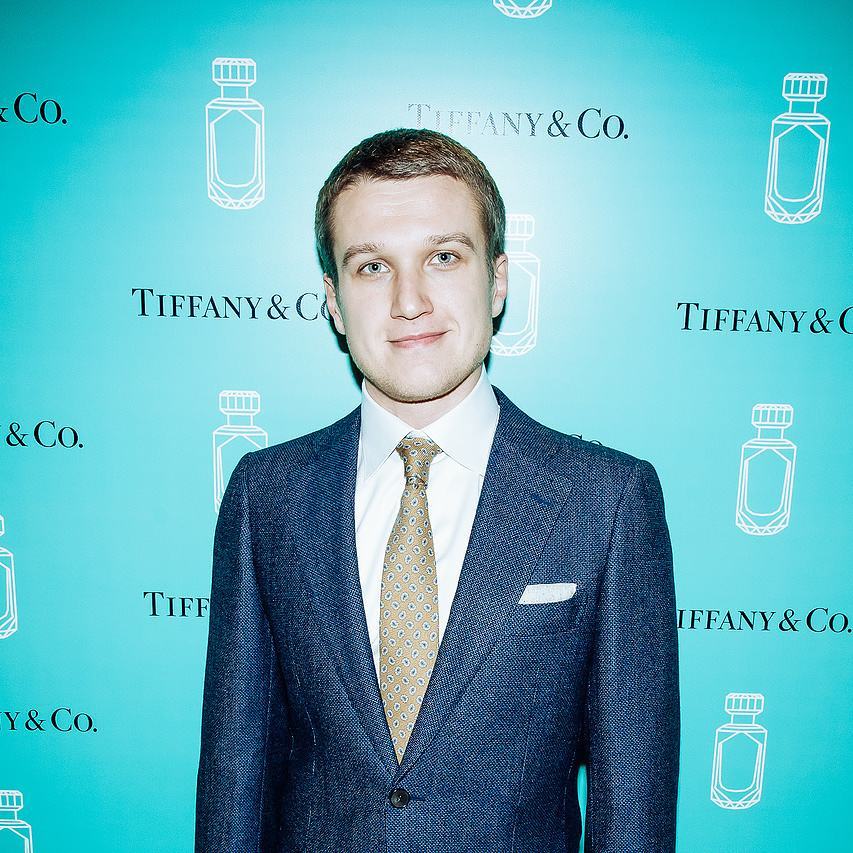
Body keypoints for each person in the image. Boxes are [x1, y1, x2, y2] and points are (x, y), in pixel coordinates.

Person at [195, 127, 680, 852]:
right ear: (333, 302)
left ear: (499, 280)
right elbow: (234, 779)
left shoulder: (607, 500)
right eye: (372, 267)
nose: (409, 300)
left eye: (444, 257)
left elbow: (633, 807)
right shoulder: (266, 495)